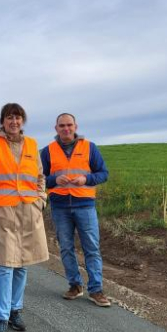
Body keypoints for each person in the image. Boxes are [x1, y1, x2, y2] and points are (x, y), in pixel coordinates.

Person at [0, 103, 49, 332]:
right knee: (5, 266)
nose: (14, 122)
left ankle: (16, 310)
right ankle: (1, 316)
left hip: (28, 212)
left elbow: (40, 177)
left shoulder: (32, 144)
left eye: (17, 118)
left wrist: (41, 200)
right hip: (2, 213)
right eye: (9, 118)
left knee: (22, 264)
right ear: (2, 121)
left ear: (22, 121)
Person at [40, 113, 111, 307]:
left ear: (75, 126)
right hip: (60, 206)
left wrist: (86, 179)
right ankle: (75, 285)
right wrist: (54, 180)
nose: (66, 129)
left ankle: (96, 290)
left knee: (91, 248)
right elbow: (39, 179)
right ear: (56, 128)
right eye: (62, 125)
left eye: (69, 125)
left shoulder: (89, 147)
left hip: (85, 205)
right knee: (66, 248)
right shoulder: (47, 151)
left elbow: (103, 173)